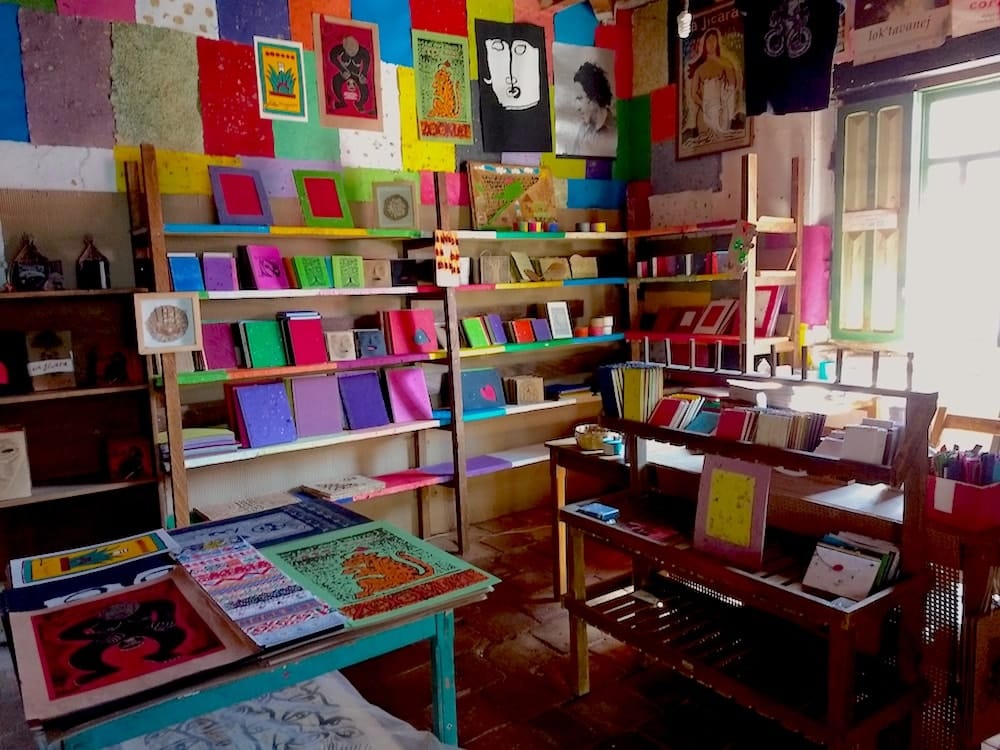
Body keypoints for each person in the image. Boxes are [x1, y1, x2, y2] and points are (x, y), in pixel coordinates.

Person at [685, 27, 743, 140]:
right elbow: (694, 94)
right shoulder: (699, 69)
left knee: (722, 134)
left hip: (721, 110)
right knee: (704, 137)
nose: (711, 44)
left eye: (713, 40)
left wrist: (723, 104)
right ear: (704, 44)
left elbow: (732, 87)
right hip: (704, 113)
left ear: (717, 42)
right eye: (708, 41)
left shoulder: (725, 64)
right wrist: (704, 105)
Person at [567, 61, 616, 157]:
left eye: (580, 98)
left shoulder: (616, 129)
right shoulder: (582, 131)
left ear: (594, 98)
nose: (577, 107)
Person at [329, 35, 373, 113]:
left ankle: (360, 104)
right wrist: (342, 69)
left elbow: (367, 62)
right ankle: (342, 102)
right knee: (336, 81)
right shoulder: (339, 49)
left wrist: (363, 74)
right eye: (349, 49)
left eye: (355, 48)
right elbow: (332, 56)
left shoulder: (363, 52)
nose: (352, 51)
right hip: (345, 73)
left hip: (357, 74)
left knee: (364, 90)